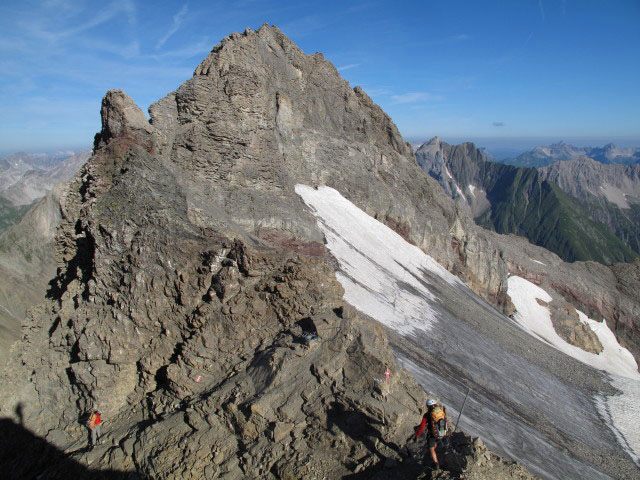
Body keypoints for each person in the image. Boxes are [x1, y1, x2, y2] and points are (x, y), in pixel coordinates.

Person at [414, 398, 448, 470]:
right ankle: (434, 455)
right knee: (435, 443)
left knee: (431, 448)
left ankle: (436, 463)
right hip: (442, 432)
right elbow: (445, 421)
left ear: (428, 406)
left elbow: (422, 426)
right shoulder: (441, 411)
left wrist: (417, 435)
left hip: (432, 434)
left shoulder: (426, 415)